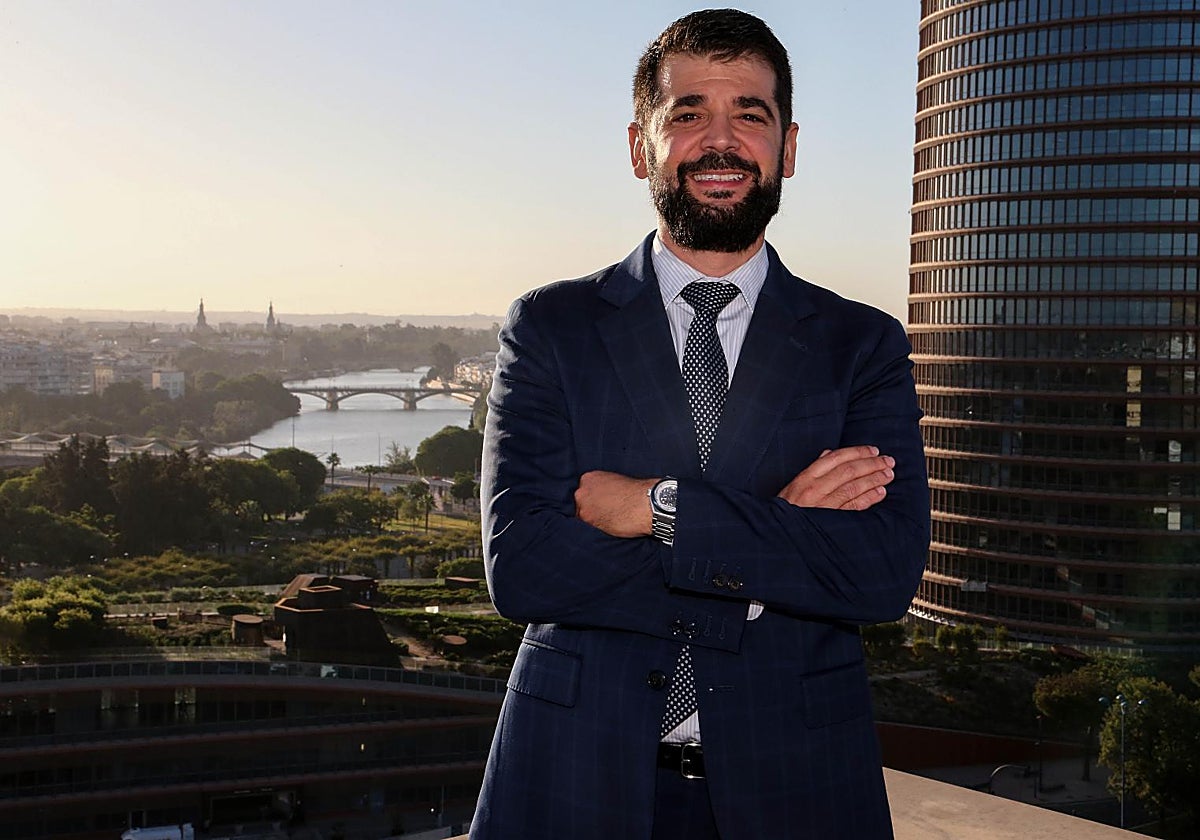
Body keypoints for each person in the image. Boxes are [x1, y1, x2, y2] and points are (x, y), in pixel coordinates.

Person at [471, 9, 929, 840]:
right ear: (641, 147)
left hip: (801, 783)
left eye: (748, 114)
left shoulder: (861, 346)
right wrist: (776, 543)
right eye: (688, 114)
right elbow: (526, 570)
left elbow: (880, 572)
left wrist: (662, 510)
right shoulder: (551, 328)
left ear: (787, 147)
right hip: (575, 772)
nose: (720, 142)